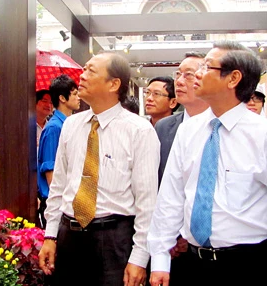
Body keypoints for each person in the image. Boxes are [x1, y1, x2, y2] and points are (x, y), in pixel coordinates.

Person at [148, 40, 267, 286]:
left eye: (206, 67)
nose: (197, 75)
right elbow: (171, 197)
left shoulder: (260, 134)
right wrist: (160, 258)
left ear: (233, 78)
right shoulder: (188, 130)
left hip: (248, 262)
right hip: (191, 263)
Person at [39, 52, 160, 286]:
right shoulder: (72, 125)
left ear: (114, 84)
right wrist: (51, 235)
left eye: (90, 71)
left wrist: (139, 257)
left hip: (113, 239)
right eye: (83, 70)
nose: (81, 77)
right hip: (68, 235)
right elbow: (59, 187)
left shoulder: (139, 131)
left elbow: (147, 202)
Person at [153, 52, 209, 286]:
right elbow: (159, 184)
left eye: (188, 74)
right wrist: (170, 235)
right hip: (167, 247)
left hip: (207, 244)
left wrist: (187, 232)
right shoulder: (164, 127)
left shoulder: (219, 127)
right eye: (178, 74)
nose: (180, 80)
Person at [37, 74, 80, 229]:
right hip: (58, 205)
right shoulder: (55, 128)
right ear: (62, 98)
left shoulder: (69, 125)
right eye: (74, 94)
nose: (78, 97)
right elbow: (51, 171)